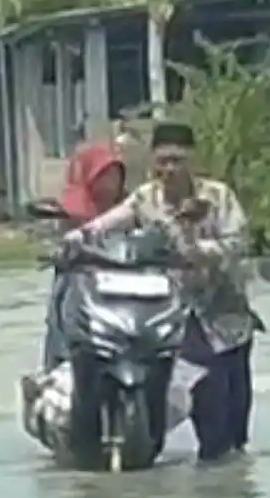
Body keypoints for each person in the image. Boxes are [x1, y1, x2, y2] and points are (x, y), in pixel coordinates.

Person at [65, 122, 259, 462]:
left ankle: (231, 493)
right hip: (172, 314)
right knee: (203, 398)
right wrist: (79, 237)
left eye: (177, 161)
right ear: (154, 161)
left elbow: (238, 242)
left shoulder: (217, 197)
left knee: (233, 419)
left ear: (191, 160)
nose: (170, 169)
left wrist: (199, 251)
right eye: (163, 161)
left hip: (224, 315)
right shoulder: (146, 198)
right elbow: (111, 221)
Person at [40, 142, 129, 371]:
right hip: (82, 284)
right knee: (65, 299)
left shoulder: (131, 209)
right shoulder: (74, 209)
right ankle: (60, 366)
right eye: (104, 175)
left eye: (114, 175)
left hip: (122, 285)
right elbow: (64, 244)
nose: (110, 183)